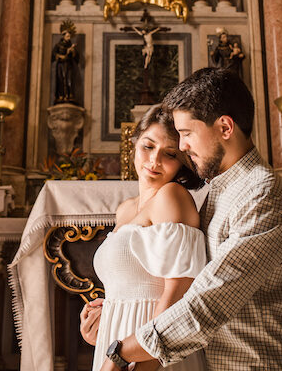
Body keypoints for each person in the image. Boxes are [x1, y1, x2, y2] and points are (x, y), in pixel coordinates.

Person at [97, 68, 282, 371]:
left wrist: (121, 351)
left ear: (225, 127)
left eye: (186, 134)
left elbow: (209, 303)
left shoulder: (263, 195)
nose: (182, 146)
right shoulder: (222, 188)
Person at [80, 105, 207, 371]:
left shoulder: (172, 196)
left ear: (183, 162)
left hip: (152, 356)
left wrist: (143, 363)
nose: (154, 160)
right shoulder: (125, 209)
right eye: (148, 146)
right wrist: (98, 327)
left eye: (170, 154)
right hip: (117, 347)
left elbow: (178, 295)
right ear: (134, 145)